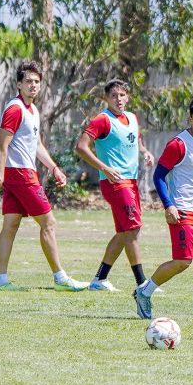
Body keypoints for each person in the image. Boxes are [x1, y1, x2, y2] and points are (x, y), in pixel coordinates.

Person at [0, 60, 88, 292]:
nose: (33, 85)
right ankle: (60, 278)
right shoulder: (15, 108)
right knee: (49, 223)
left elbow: (37, 144)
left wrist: (54, 168)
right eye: (28, 81)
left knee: (10, 225)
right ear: (19, 84)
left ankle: (0, 280)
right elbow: (2, 145)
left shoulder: (33, 110)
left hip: (20, 173)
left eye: (37, 81)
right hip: (20, 174)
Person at [133, 97, 193, 323]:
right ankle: (144, 293)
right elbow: (158, 176)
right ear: (190, 119)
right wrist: (169, 205)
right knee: (183, 261)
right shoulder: (179, 144)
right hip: (183, 212)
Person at [75, 79, 155, 292]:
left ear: (127, 96)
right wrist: (105, 168)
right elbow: (81, 147)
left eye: (122, 95)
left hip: (131, 182)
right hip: (115, 183)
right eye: (113, 96)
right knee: (133, 229)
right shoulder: (102, 120)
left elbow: (136, 142)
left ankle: (100, 279)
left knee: (124, 232)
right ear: (106, 98)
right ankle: (142, 283)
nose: (118, 99)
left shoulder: (131, 117)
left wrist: (145, 152)